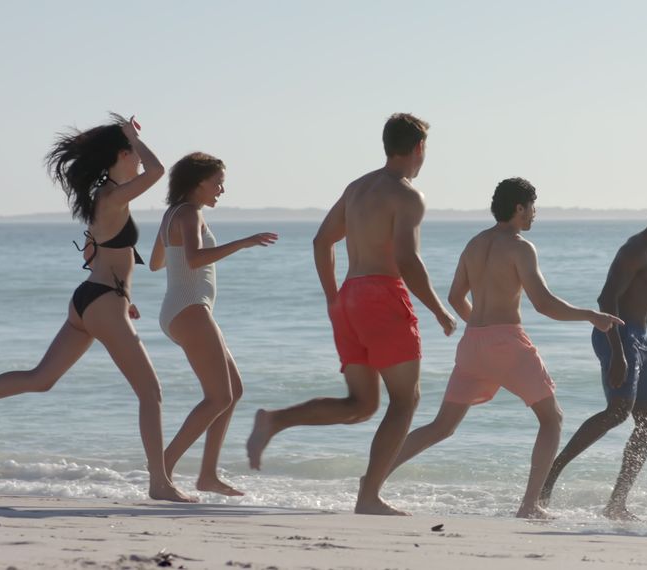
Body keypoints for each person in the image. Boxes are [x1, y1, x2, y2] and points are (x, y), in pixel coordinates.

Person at [0, 114, 194, 502]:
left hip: (91, 299)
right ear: (122, 154)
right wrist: (132, 136)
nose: (138, 160)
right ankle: (159, 483)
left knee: (41, 379)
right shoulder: (111, 195)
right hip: (102, 302)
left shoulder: (105, 197)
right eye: (132, 153)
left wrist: (125, 297)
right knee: (151, 392)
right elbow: (157, 170)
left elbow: (93, 253)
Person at [246, 113, 456, 515]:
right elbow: (408, 260)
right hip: (381, 296)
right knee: (404, 401)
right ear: (419, 148)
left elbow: (322, 240)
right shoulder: (408, 195)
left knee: (361, 405)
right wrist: (439, 309)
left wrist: (332, 297)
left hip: (350, 297)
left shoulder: (358, 188)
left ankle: (273, 420)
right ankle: (369, 496)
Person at [383, 178, 622, 519]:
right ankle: (529, 506)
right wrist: (590, 316)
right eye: (533, 207)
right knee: (551, 420)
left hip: (472, 345)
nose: (535, 214)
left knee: (441, 426)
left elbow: (454, 298)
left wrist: (478, 327)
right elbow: (543, 303)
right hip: (507, 344)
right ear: (519, 208)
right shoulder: (521, 247)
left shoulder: (474, 244)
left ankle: (373, 479)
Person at [539, 192, 647, 521]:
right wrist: (618, 353)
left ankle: (616, 503)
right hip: (617, 333)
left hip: (641, 339)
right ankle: (548, 478)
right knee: (618, 411)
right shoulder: (635, 250)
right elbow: (607, 298)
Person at [149, 152, 278, 497]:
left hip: (183, 308)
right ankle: (160, 472)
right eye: (217, 181)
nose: (222, 188)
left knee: (232, 392)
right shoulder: (189, 214)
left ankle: (207, 475)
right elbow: (194, 259)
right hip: (190, 309)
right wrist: (243, 243)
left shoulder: (173, 214)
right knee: (218, 395)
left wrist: (178, 248)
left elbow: (155, 262)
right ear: (197, 182)